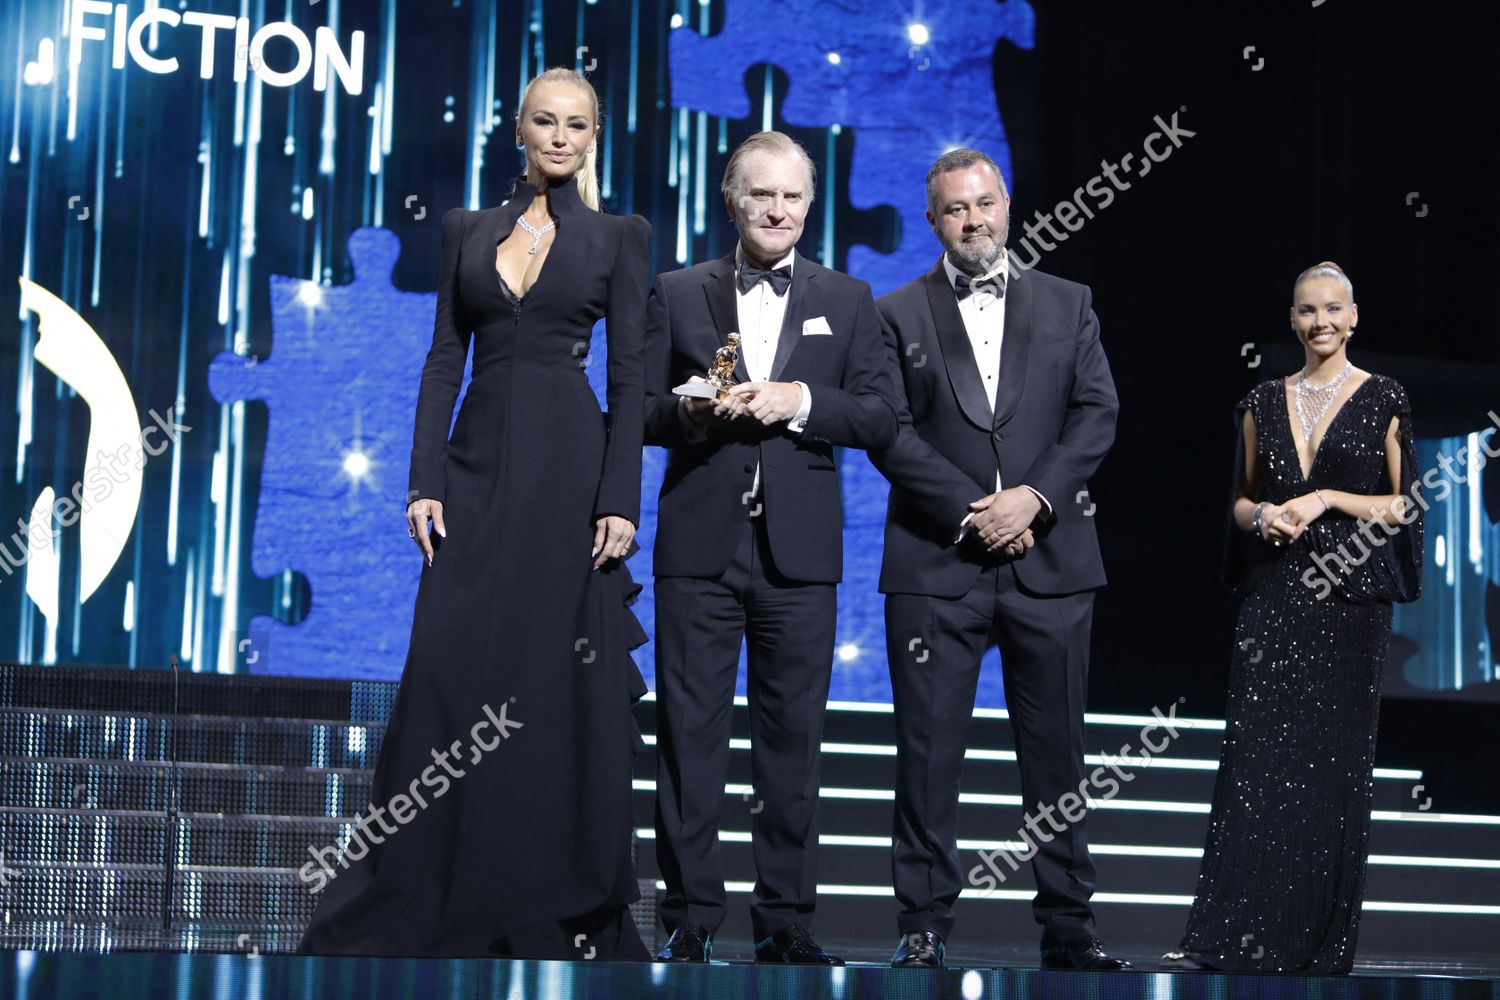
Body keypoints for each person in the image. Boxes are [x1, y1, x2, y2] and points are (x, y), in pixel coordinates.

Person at [295, 67, 652, 960]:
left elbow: (630, 377)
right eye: (547, 122)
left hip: (571, 470)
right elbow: (442, 362)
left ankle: (544, 883)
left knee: (549, 672)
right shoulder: (466, 229)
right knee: (452, 664)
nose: (562, 137)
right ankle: (436, 873)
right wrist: (423, 482)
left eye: (578, 124)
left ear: (593, 136)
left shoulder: (619, 236)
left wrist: (620, 500)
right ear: (519, 132)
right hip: (476, 464)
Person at [870, 148, 1129, 971]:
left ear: (1007, 204)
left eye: (984, 204)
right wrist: (973, 514)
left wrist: (1034, 499)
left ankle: (1068, 927)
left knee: (1057, 754)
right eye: (955, 209)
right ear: (933, 220)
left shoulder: (1068, 302)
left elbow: (1097, 411)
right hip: (935, 561)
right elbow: (888, 430)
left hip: (1051, 562)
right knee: (927, 750)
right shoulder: (896, 311)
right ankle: (923, 925)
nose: (973, 220)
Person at [643, 131, 898, 965]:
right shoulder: (678, 292)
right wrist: (688, 413)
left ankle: (786, 919)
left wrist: (797, 399)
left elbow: (877, 416)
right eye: (762, 195)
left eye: (792, 196)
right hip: (699, 548)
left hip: (801, 556)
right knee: (689, 738)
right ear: (732, 199)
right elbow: (639, 410)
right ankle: (688, 916)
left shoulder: (852, 299)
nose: (778, 210)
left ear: (810, 203)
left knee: (793, 741)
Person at [1161, 261, 1422, 974]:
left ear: (1355, 316)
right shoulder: (1261, 400)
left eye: (1333, 309)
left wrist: (1328, 498)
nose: (1321, 323)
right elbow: (1240, 501)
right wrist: (1267, 513)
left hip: (1347, 605)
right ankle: (1228, 938)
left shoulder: (1385, 398)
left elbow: (1404, 504)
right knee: (1255, 767)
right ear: (1292, 319)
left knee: (1332, 774)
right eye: (1308, 311)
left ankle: (1311, 944)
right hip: (1274, 600)